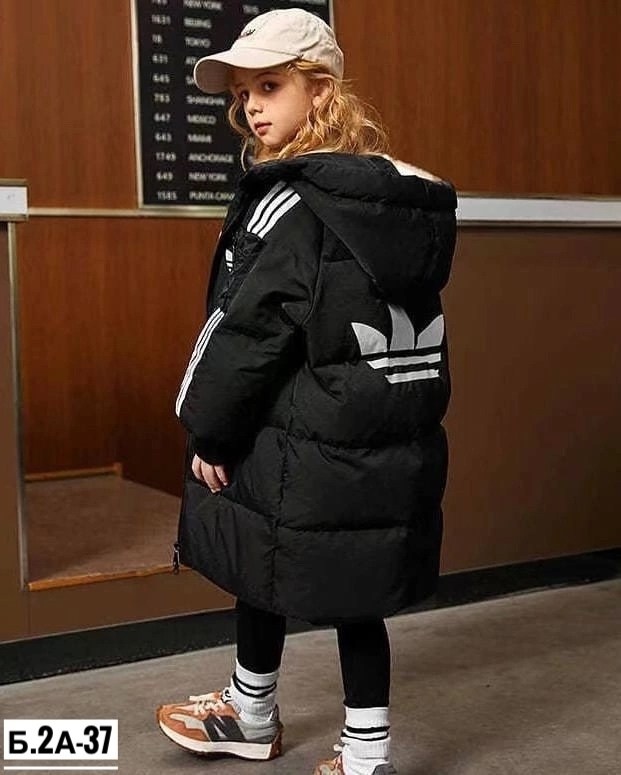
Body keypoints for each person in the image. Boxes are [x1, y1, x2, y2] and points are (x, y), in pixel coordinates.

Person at [156, 8, 457, 775]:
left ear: (320, 91)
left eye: (269, 86)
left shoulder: (290, 200)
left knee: (259, 558)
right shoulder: (396, 202)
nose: (251, 108)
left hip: (296, 427)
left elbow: (246, 327)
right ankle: (365, 753)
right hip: (375, 435)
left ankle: (251, 714)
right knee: (356, 589)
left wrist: (209, 428)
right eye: (243, 94)